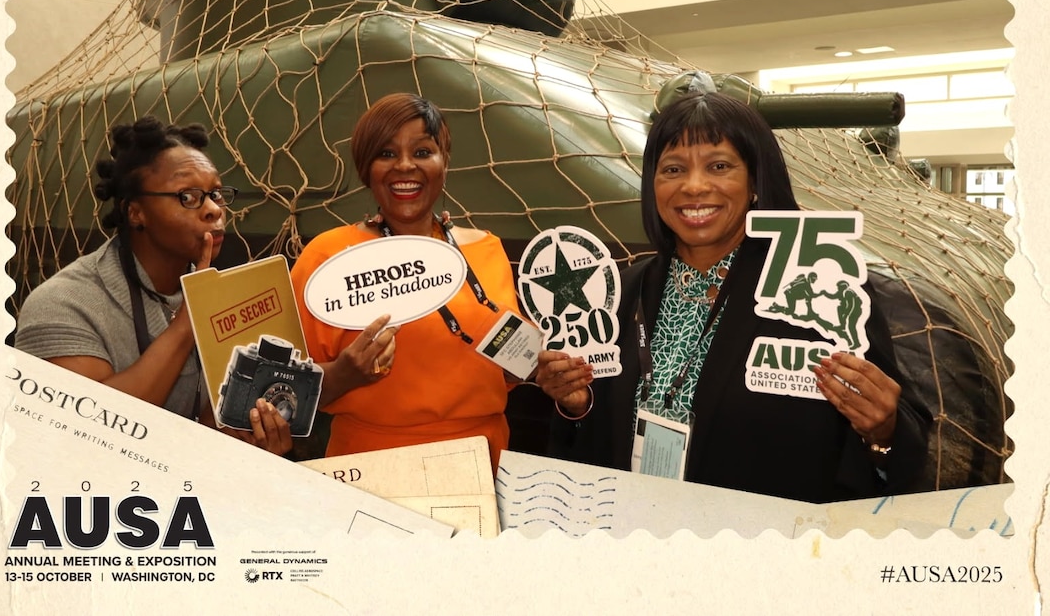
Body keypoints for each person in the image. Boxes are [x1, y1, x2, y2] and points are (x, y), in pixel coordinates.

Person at [536, 91, 930, 503]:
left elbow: (897, 440)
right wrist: (576, 406)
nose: (693, 186)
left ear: (756, 180)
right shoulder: (615, 295)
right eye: (672, 169)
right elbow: (589, 444)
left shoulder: (815, 291)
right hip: (636, 540)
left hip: (769, 549)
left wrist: (883, 430)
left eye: (719, 166)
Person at [291, 93, 581, 471]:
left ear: (444, 163)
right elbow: (284, 390)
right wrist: (344, 374)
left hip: (485, 461)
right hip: (372, 467)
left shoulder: (486, 249)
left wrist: (545, 372)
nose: (405, 166)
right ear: (366, 168)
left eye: (423, 152)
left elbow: (506, 363)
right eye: (386, 154)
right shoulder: (328, 256)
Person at [14, 116, 292, 455]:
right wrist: (189, 322)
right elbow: (86, 438)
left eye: (216, 194)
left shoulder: (224, 291)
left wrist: (253, 441)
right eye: (188, 196)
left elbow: (208, 424)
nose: (213, 210)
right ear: (136, 213)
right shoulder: (63, 304)